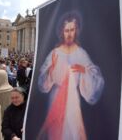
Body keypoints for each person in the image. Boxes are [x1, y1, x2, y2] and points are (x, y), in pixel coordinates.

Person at [37, 12, 104, 140]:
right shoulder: (54, 53)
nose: (69, 34)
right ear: (62, 32)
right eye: (66, 30)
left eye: (72, 30)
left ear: (76, 30)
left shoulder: (81, 53)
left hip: (73, 102)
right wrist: (51, 70)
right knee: (55, 131)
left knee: (72, 132)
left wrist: (84, 70)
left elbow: (95, 77)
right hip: (55, 98)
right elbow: (42, 81)